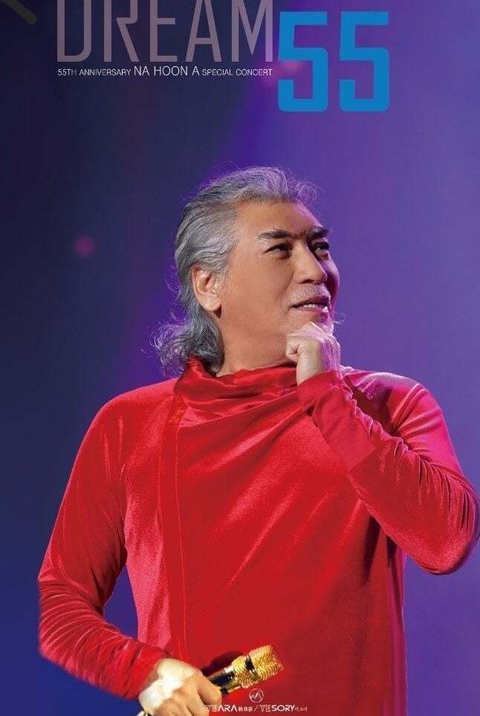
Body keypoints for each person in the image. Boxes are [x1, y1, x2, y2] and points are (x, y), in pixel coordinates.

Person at [37, 166, 480, 716]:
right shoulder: (130, 425)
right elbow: (62, 607)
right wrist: (144, 671)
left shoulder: (389, 404)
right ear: (209, 285)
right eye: (280, 250)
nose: (315, 270)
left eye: (320, 248)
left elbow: (445, 542)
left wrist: (328, 397)